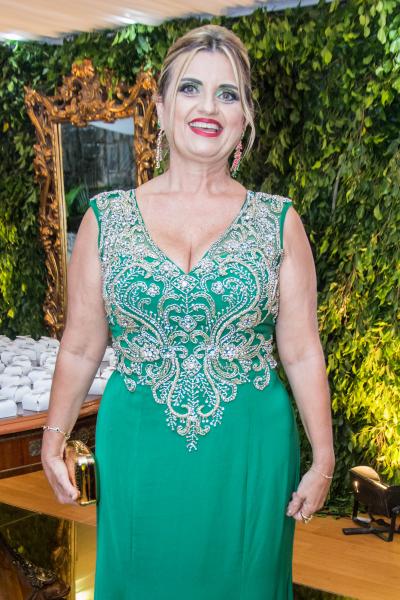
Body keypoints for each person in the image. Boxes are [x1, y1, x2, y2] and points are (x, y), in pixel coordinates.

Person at [41, 24, 335, 600]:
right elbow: (80, 344)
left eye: (228, 94)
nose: (208, 107)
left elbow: (302, 350)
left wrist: (323, 457)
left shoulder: (280, 222)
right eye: (190, 88)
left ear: (245, 117)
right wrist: (53, 437)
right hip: (139, 444)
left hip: (249, 449)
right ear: (161, 106)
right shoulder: (106, 218)